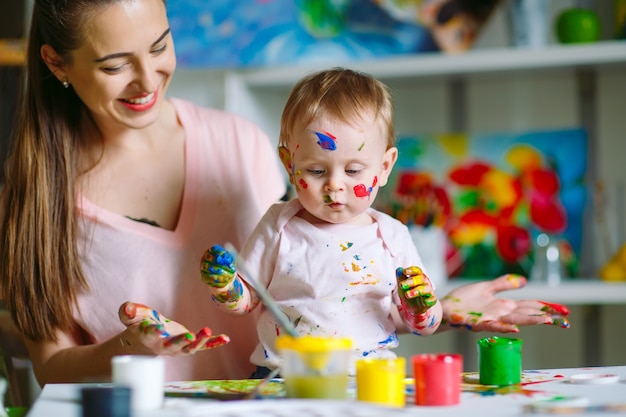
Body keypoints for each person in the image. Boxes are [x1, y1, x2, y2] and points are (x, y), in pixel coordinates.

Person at [0, 0, 569, 387]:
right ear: (57, 63)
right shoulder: (33, 197)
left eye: (160, 46)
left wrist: (439, 310)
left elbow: (324, 286)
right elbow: (51, 367)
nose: (148, 80)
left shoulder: (240, 143)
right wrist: (128, 346)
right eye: (115, 64)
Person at [199, 68, 569, 377]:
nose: (335, 184)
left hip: (371, 379)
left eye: (354, 169)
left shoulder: (390, 236)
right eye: (315, 169)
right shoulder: (279, 223)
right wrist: (225, 285)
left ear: (385, 167)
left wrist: (422, 306)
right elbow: (245, 301)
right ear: (288, 163)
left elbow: (425, 324)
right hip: (283, 378)